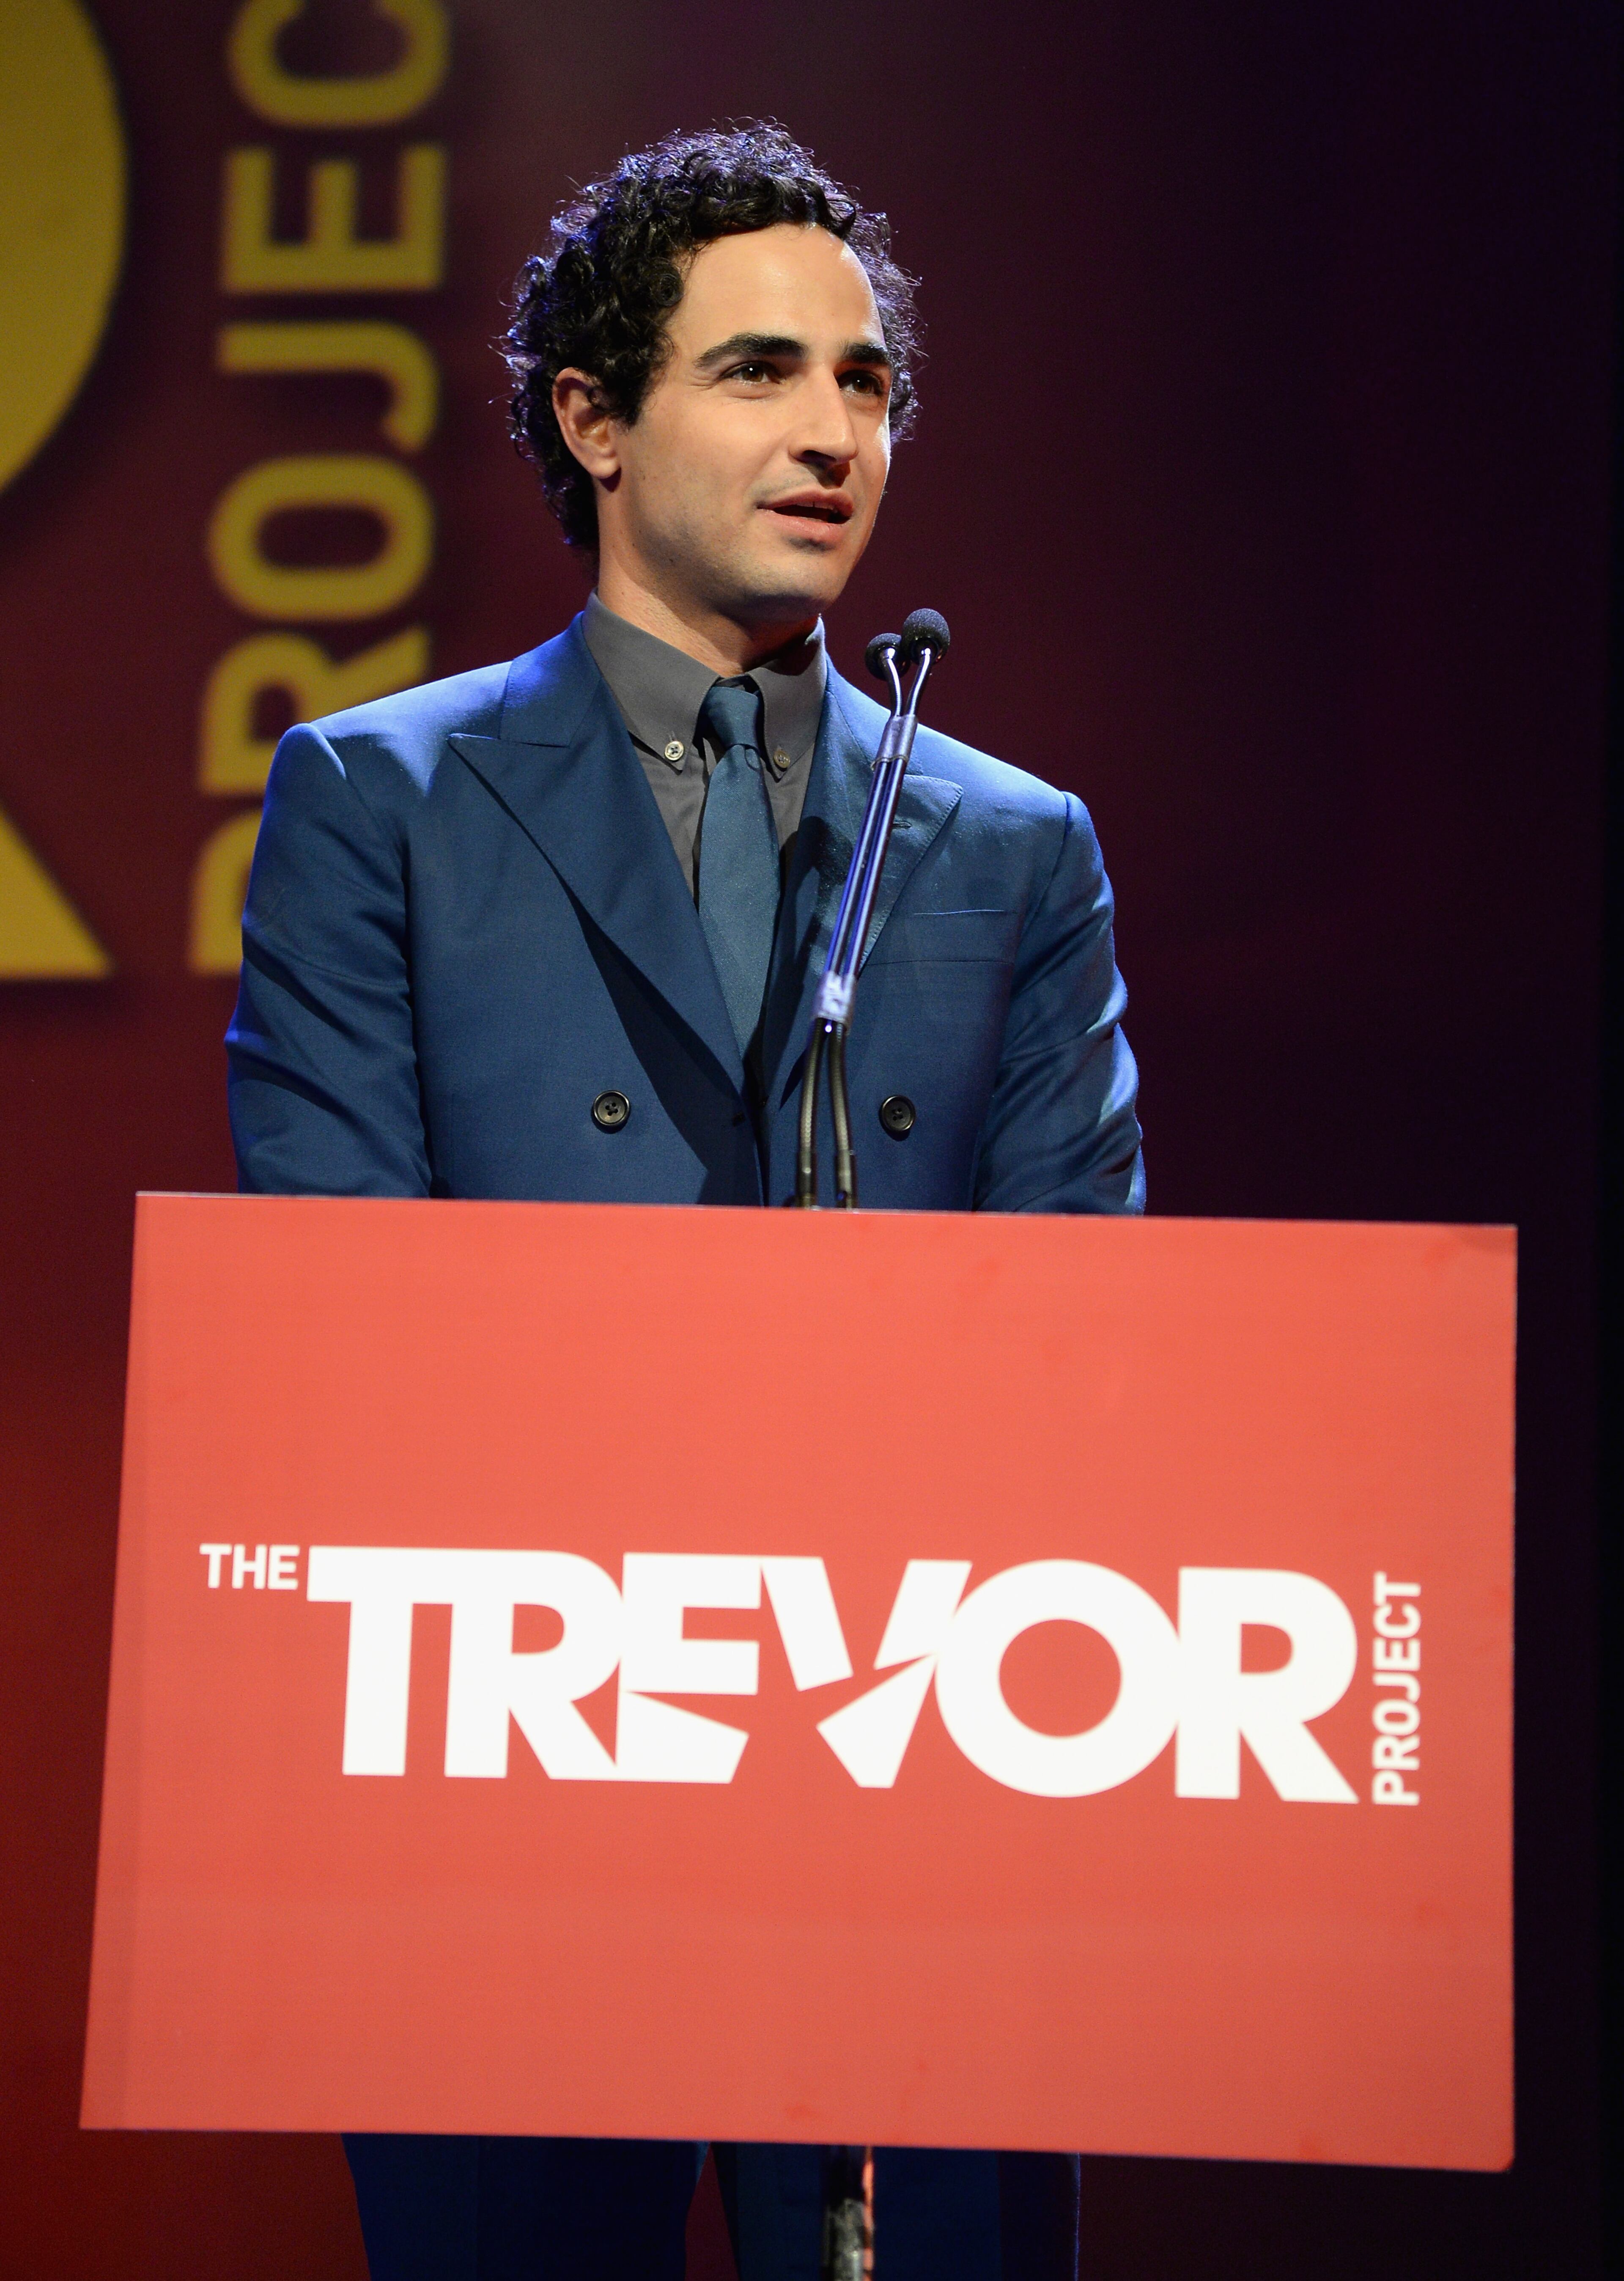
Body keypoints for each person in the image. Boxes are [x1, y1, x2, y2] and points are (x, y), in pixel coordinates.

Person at [227, 121, 1141, 2281]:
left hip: (922, 1783)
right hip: (518, 1790)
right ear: (596, 419)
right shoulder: (383, 797)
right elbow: (339, 1309)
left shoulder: (1016, 844)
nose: (834, 430)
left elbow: (1094, 1346)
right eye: (759, 372)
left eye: (869, 382)